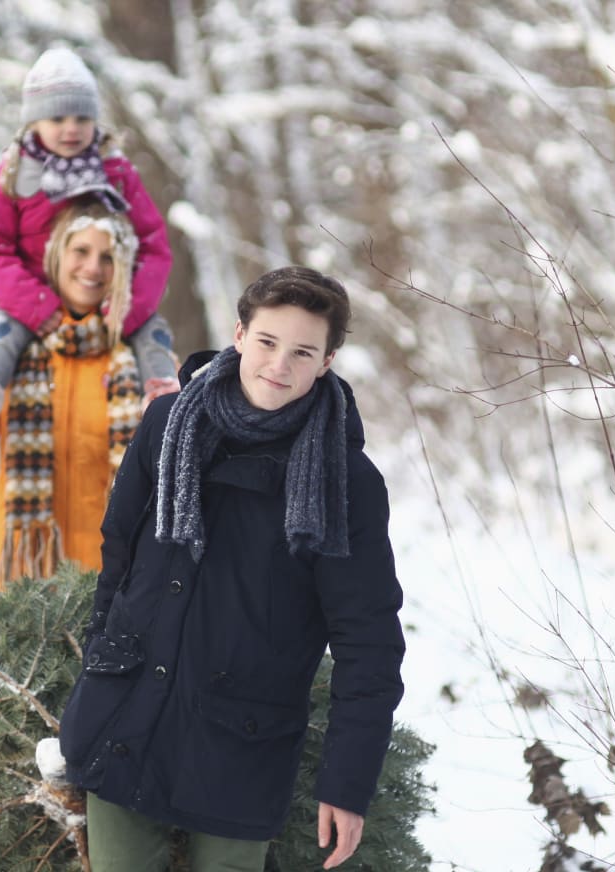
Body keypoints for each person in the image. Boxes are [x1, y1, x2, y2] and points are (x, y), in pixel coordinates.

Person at [56, 267, 407, 870]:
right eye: (268, 342)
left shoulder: (346, 481)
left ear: (326, 362)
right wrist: (102, 667)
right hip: (127, 721)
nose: (279, 365)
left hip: (239, 747)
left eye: (303, 352)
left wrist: (347, 785)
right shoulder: (168, 425)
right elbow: (120, 556)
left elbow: (368, 639)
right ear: (240, 334)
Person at [0, 46, 178, 488]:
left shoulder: (113, 172)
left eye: (81, 118)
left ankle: (167, 419)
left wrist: (128, 307)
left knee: (154, 340)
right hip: (31, 306)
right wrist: (37, 305)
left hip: (113, 307)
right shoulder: (15, 175)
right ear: (33, 121)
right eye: (57, 118)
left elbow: (154, 245)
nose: (71, 129)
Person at [0, 197, 151, 592]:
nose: (93, 267)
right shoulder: (5, 357)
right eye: (81, 251)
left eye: (108, 257)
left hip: (113, 588)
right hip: (22, 591)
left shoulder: (143, 363)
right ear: (56, 257)